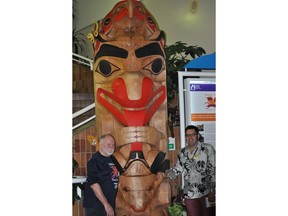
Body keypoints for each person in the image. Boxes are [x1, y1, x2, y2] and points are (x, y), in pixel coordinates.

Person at [166, 125, 216, 216]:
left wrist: (213, 190)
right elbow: (179, 168)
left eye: (192, 134)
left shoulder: (208, 149)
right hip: (189, 193)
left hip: (206, 192)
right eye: (187, 135)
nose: (190, 137)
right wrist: (171, 172)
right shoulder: (182, 152)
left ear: (198, 135)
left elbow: (213, 169)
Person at [83, 134, 119, 216]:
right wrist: (106, 204)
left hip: (109, 204)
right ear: (101, 144)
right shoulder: (95, 161)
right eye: (108, 144)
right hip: (96, 206)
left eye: (113, 145)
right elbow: (94, 185)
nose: (111, 147)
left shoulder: (112, 159)